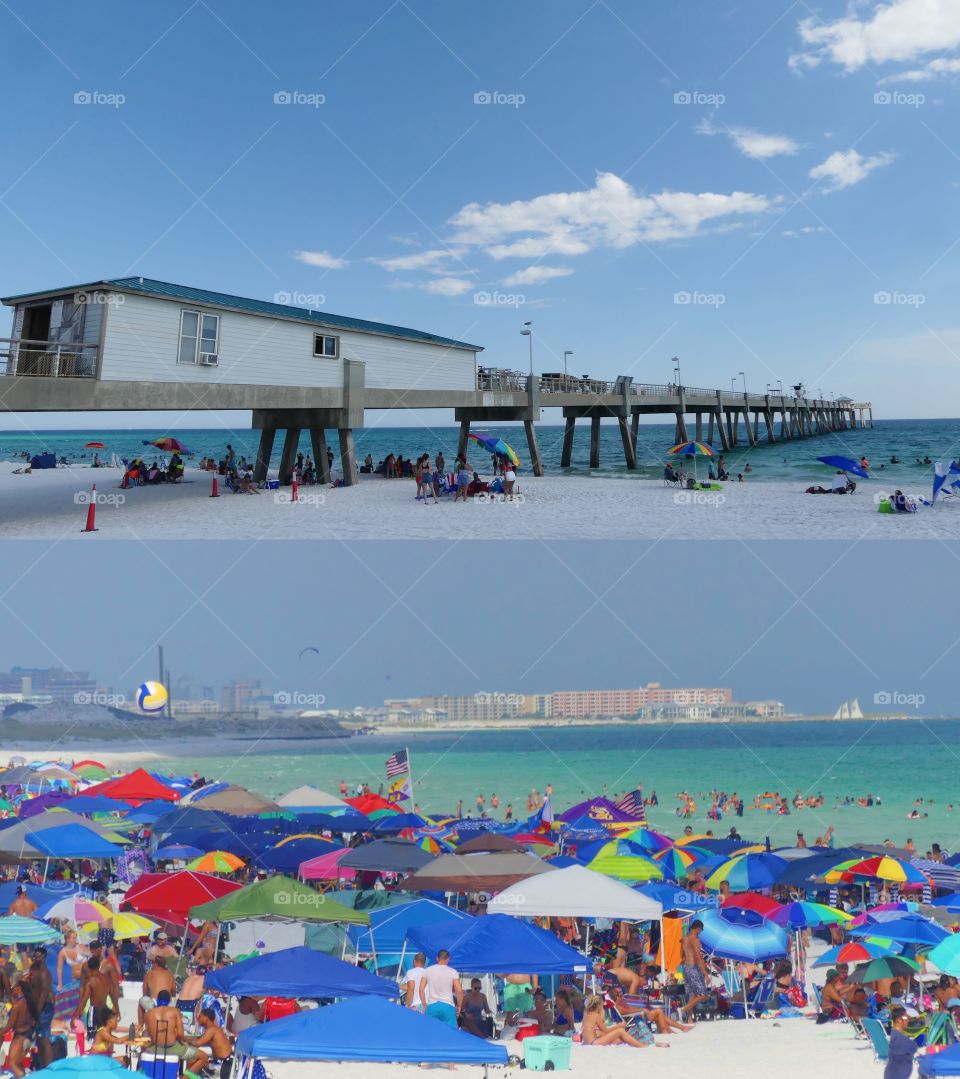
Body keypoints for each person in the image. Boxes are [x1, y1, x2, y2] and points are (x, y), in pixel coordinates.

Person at [145, 990, 208, 1072]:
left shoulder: (149, 1013)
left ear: (157, 999)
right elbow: (180, 1034)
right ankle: (185, 1077)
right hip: (173, 1048)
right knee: (203, 1057)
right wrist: (183, 1041)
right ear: (169, 1000)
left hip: (155, 1048)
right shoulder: (175, 1011)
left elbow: (149, 1034)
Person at [581, 994, 656, 1047]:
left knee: (620, 1039)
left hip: (588, 1042)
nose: (602, 1007)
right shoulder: (596, 1015)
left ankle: (640, 1043)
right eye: (601, 1005)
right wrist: (618, 1026)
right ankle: (642, 1046)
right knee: (620, 1031)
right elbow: (606, 1030)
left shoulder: (586, 1014)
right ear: (598, 1005)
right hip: (594, 1042)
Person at [0, 980, 39, 1078]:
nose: (12, 989)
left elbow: (10, 1025)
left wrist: (1, 1032)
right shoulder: (29, 1001)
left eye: (14, 987)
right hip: (30, 1035)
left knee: (12, 1063)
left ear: (19, 988)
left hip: (20, 1037)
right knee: (18, 1063)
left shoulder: (18, 1006)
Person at [420, 949, 462, 1027]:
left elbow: (421, 989)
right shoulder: (453, 972)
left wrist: (424, 1005)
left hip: (432, 1006)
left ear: (437, 958)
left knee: (429, 1031)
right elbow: (459, 991)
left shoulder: (428, 970)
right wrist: (459, 1006)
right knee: (450, 1032)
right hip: (448, 1006)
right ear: (448, 959)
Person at [189, 1008, 233, 1079]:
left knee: (197, 1063)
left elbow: (198, 1043)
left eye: (200, 1016)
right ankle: (189, 1076)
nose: (198, 1019)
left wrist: (185, 1041)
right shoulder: (213, 1029)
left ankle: (187, 1076)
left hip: (224, 1064)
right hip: (223, 1061)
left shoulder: (212, 1030)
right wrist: (187, 1039)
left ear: (206, 1018)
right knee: (195, 1061)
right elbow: (198, 1039)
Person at [680, 919, 711, 1018]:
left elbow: (681, 955)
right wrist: (706, 974)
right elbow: (698, 958)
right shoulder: (696, 940)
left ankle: (689, 1019)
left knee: (692, 994)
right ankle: (683, 1009)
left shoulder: (684, 939)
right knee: (703, 995)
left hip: (686, 968)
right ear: (698, 928)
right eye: (701, 930)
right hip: (693, 968)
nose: (700, 932)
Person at [140, 956, 177, 1027]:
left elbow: (145, 993)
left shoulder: (149, 974)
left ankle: (140, 1025)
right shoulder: (170, 974)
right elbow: (173, 991)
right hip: (168, 1003)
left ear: (156, 964)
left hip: (155, 1003)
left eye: (152, 963)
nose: (151, 965)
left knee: (141, 1001)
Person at [885, 1005, 919, 1079]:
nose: (908, 1020)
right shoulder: (899, 1039)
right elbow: (913, 1047)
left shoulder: (895, 1035)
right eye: (906, 1018)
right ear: (899, 1020)